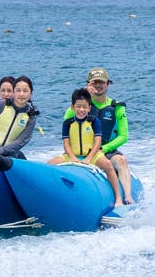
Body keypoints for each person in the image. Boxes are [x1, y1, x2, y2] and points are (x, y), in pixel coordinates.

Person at [64, 67, 134, 204]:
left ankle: (127, 197)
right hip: (82, 148)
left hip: (106, 150)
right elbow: (66, 119)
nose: (98, 85)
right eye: (94, 82)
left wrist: (105, 149)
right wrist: (82, 94)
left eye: (101, 82)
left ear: (108, 84)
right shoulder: (83, 105)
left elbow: (124, 136)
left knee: (122, 161)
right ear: (88, 84)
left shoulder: (117, 107)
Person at [50, 87, 123, 210]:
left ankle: (118, 198)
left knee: (108, 165)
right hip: (72, 155)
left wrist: (89, 158)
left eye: (84, 107)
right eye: (78, 106)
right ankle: (51, 195)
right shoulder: (67, 123)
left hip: (92, 155)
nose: (81, 110)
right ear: (72, 107)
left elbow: (97, 141)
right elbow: (66, 144)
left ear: (89, 108)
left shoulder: (94, 121)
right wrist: (72, 158)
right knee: (49, 165)